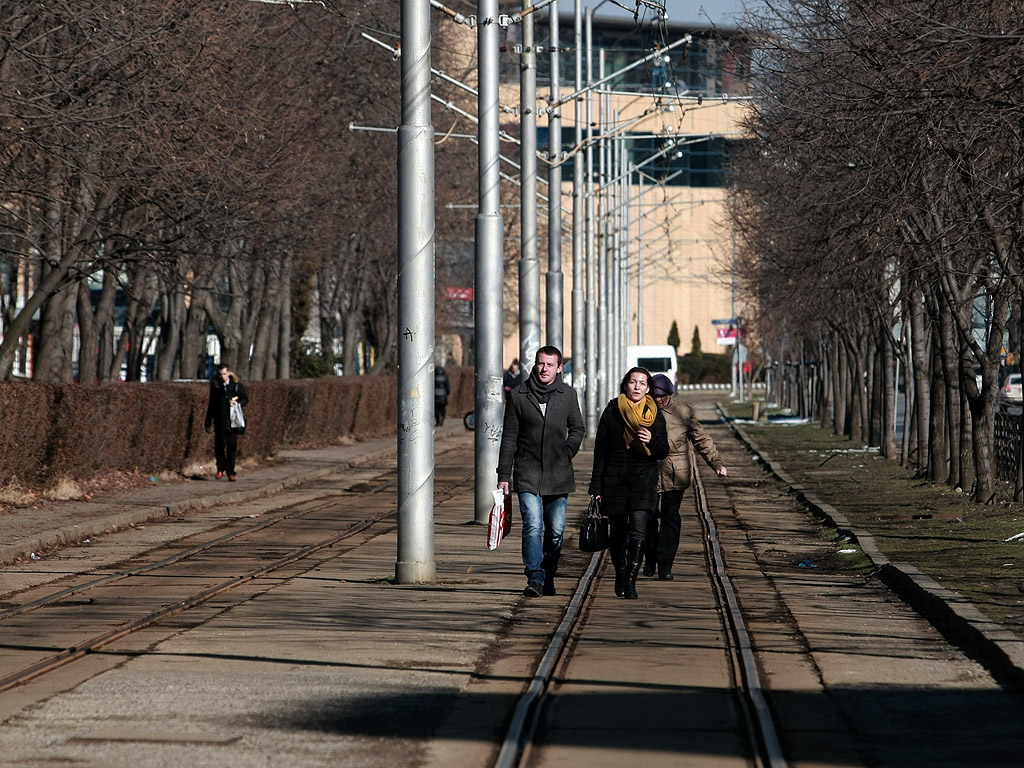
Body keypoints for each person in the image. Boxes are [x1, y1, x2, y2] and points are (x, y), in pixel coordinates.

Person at [497, 346, 585, 597]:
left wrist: (567, 452)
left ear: (559, 368)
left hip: (559, 475)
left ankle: (548, 571)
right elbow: (509, 438)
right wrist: (504, 475)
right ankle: (535, 576)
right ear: (535, 365)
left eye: (549, 365)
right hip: (528, 473)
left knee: (556, 530)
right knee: (533, 525)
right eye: (540, 364)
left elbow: (578, 428)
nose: (544, 369)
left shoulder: (567, 395)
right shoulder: (518, 396)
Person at [588, 367, 669, 599]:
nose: (636, 387)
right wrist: (596, 487)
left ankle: (631, 581)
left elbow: (663, 451)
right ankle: (621, 573)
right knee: (617, 534)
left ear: (648, 389)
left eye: (642, 383)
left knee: (638, 531)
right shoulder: (612, 410)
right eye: (633, 382)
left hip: (643, 479)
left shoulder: (654, 415)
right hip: (614, 480)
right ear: (625, 385)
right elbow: (600, 451)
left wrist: (652, 441)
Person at [644, 374, 727, 580]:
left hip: (676, 474)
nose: (658, 399)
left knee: (671, 519)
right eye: (654, 395)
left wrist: (716, 463)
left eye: (661, 396)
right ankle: (650, 557)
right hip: (647, 474)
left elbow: (700, 438)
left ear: (669, 394)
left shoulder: (683, 411)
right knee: (647, 518)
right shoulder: (641, 409)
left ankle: (665, 565)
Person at [204, 363, 249, 481]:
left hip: (233, 421)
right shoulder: (216, 387)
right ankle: (220, 468)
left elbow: (245, 399)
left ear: (228, 373)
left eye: (224, 374)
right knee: (220, 446)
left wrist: (238, 404)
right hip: (220, 421)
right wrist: (208, 421)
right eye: (220, 374)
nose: (222, 377)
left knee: (231, 447)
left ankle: (230, 471)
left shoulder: (236, 387)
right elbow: (211, 404)